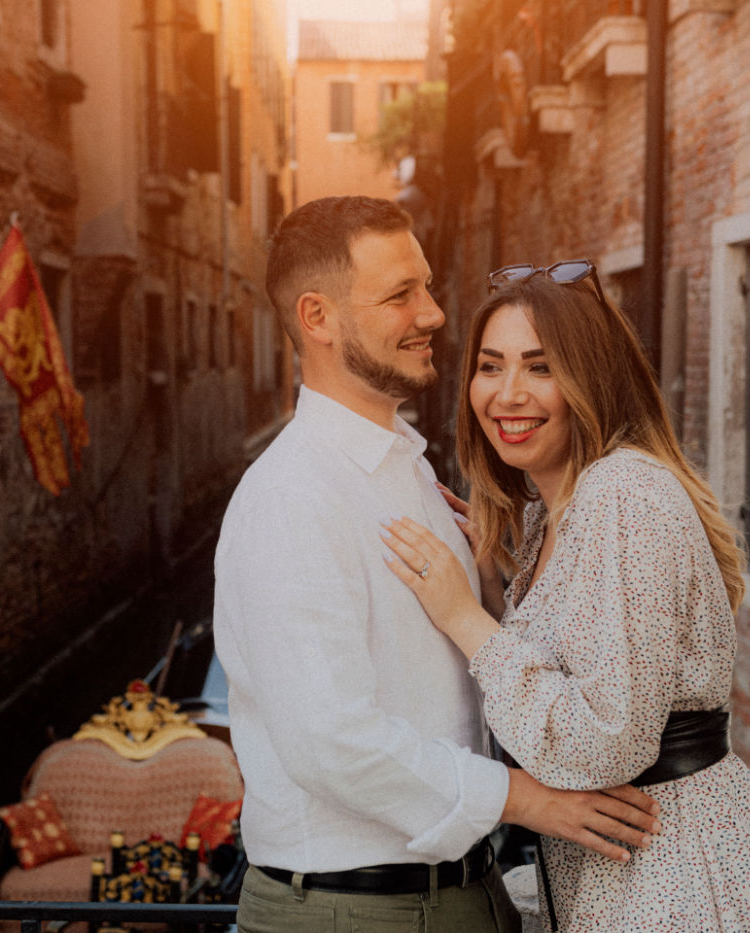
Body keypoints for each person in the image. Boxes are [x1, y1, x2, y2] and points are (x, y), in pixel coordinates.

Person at [213, 199, 664, 933]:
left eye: (425, 286)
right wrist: (528, 799)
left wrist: (497, 586)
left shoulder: (412, 472)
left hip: (454, 893)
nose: (433, 314)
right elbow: (331, 742)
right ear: (317, 317)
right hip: (353, 911)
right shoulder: (291, 497)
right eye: (400, 295)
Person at [381, 263, 750, 932]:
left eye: (540, 367)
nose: (507, 394)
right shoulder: (557, 515)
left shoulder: (622, 495)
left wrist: (465, 618)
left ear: (592, 378)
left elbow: (608, 741)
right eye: (490, 366)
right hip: (632, 869)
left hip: (674, 873)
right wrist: (497, 589)